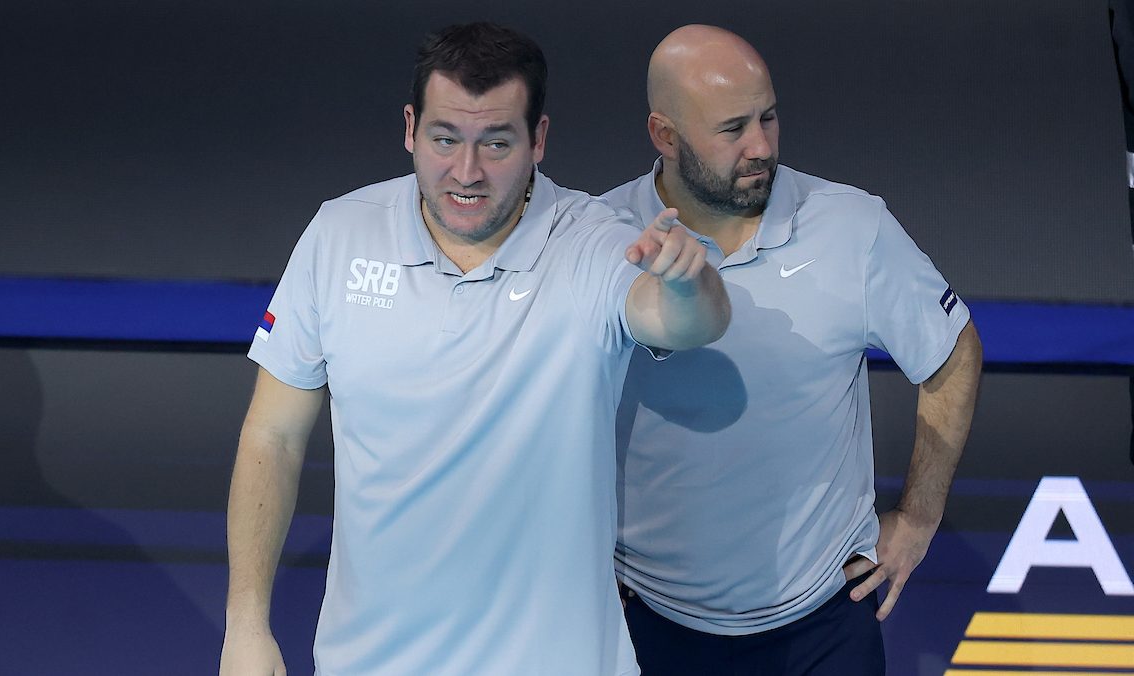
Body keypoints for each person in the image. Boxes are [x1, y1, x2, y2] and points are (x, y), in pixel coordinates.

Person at [219, 22, 730, 676]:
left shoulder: (592, 241)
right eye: (445, 139)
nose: (467, 172)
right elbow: (273, 436)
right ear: (410, 128)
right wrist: (245, 624)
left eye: (495, 143)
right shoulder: (338, 235)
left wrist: (688, 282)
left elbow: (688, 323)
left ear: (538, 139)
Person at [603, 25, 983, 674]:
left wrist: (920, 516)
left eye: (768, 118)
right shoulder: (601, 236)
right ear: (665, 135)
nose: (760, 146)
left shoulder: (852, 227)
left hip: (823, 630)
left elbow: (953, 351)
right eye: (732, 129)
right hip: (648, 628)